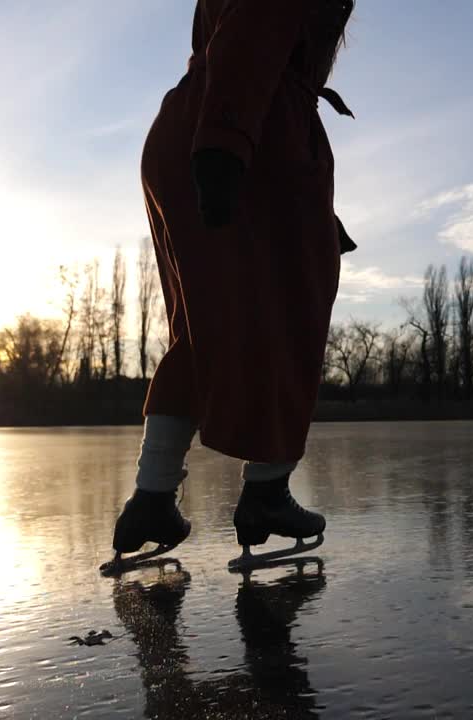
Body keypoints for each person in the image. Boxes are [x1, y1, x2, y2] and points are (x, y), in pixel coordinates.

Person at [108, 0, 357, 569]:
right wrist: (225, 147)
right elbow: (256, 25)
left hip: (214, 124)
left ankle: (150, 501)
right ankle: (267, 493)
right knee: (291, 318)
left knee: (201, 329)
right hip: (247, 126)